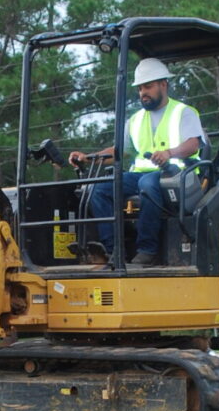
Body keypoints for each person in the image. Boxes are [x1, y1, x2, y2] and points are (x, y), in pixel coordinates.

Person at [69, 58, 205, 265]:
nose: (143, 92)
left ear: (163, 85)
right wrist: (88, 158)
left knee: (148, 184)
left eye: (148, 87)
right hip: (141, 175)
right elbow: (120, 152)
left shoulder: (183, 112)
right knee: (98, 190)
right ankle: (113, 251)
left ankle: (147, 250)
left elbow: (193, 144)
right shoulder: (136, 119)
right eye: (140, 88)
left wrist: (170, 153)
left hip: (177, 175)